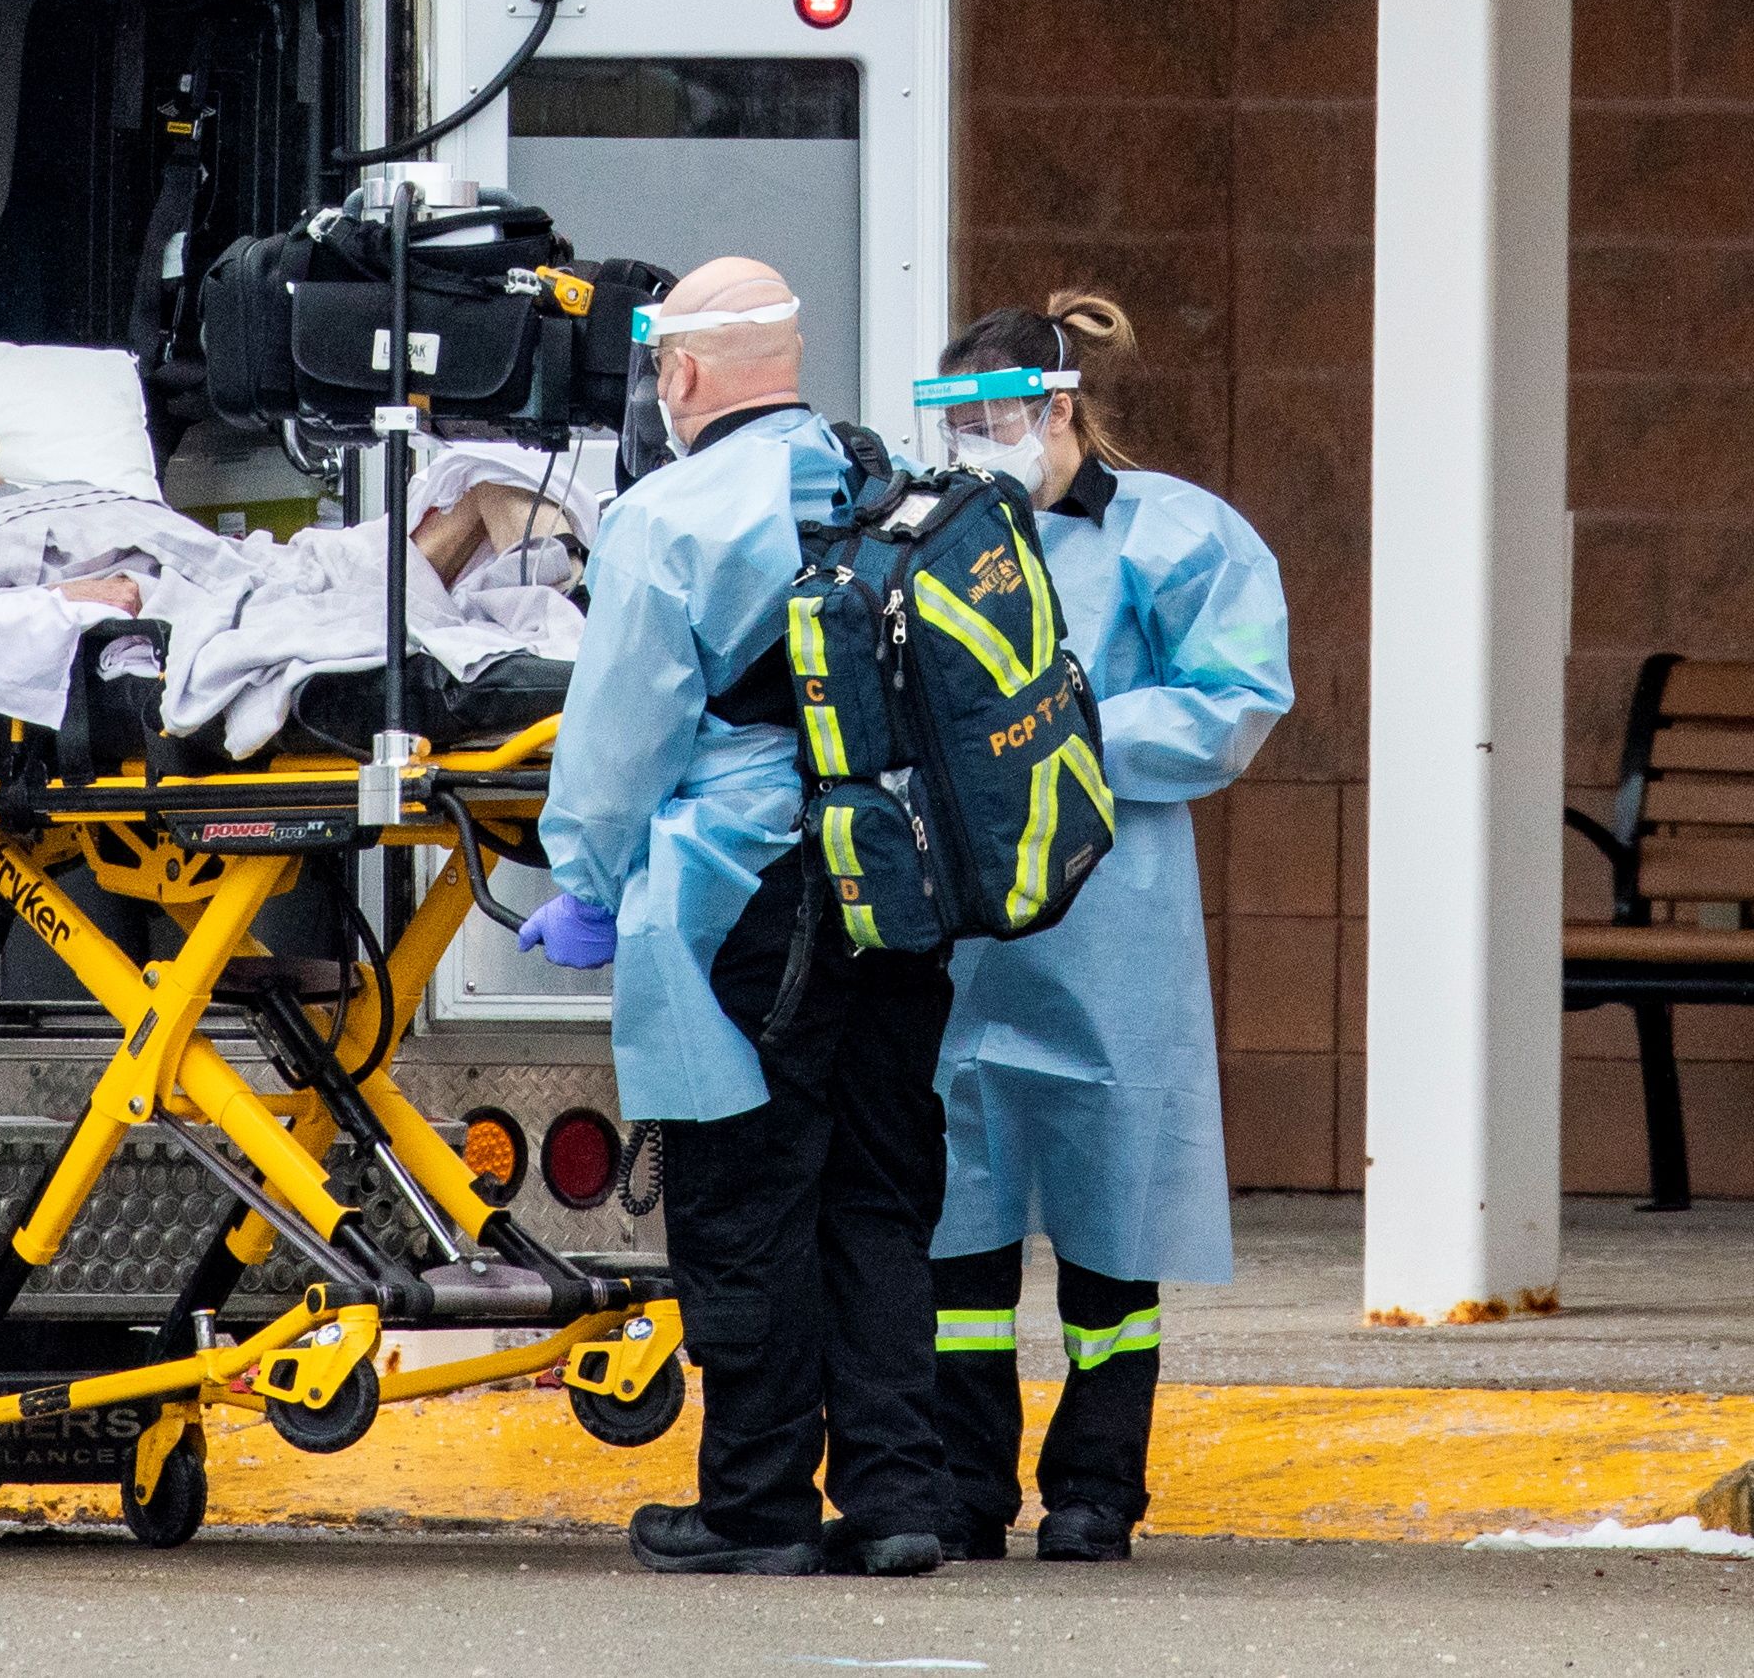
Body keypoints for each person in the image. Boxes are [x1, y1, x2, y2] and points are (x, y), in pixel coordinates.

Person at [518, 257, 953, 1580]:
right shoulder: (885, 485)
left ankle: (753, 1500)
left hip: (747, 889)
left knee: (744, 1192)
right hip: (898, 879)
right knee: (876, 1193)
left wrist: (582, 880)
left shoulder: (667, 515)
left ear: (686, 373)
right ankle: (895, 1501)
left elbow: (616, 739)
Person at [919, 295, 1290, 1566]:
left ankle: (1095, 1487)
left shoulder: (1175, 535)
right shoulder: (935, 535)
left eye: (995, 422)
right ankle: (964, 1482)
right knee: (954, 1226)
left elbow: (1237, 700)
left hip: (1106, 918)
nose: (975, 448)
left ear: (1060, 406)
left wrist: (1072, 732)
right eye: (955, 427)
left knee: (1109, 1230)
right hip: (962, 926)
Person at [0, 352, 587, 754]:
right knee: (416, 659)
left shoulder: (69, 490)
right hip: (198, 632)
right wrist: (59, 607)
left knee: (482, 480)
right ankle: (590, 674)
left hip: (264, 580)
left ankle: (589, 593)